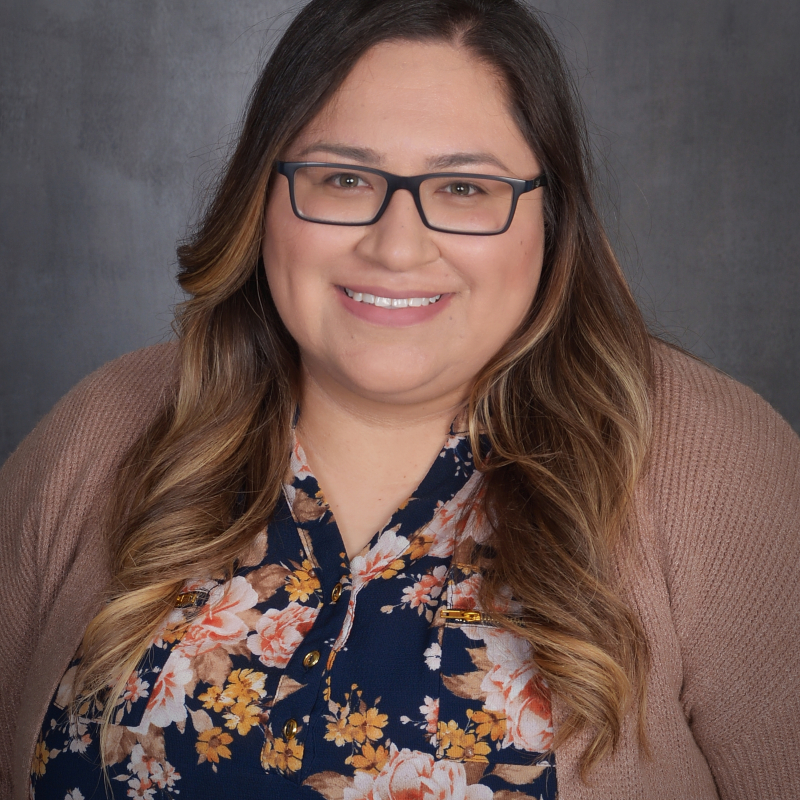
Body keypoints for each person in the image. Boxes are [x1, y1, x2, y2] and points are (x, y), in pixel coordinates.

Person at [1, 0, 798, 797]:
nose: (396, 245)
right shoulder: (108, 424)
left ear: (550, 216)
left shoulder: (714, 467)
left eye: (462, 187)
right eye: (344, 178)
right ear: (263, 198)